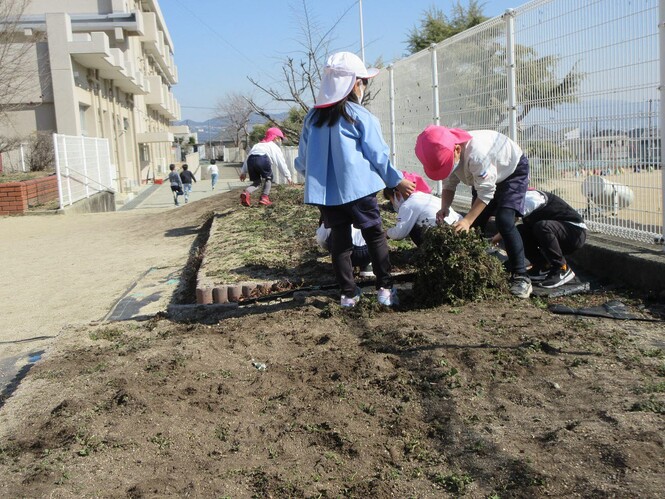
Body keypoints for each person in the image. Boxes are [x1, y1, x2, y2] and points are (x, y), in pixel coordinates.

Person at [294, 51, 416, 308]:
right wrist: (396, 180)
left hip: (327, 194)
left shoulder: (312, 118)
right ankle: (384, 289)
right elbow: (378, 154)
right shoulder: (358, 115)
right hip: (359, 189)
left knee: (340, 241)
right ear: (354, 84)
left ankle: (348, 295)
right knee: (374, 235)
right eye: (362, 81)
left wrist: (316, 179)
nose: (363, 86)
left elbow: (303, 160)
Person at [415, 126, 532, 298]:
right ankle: (475, 266)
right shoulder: (449, 153)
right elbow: (449, 184)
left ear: (456, 149)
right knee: (476, 224)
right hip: (486, 178)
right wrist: (444, 207)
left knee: (504, 221)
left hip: (511, 172)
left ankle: (521, 276)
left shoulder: (477, 154)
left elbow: (486, 193)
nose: (446, 169)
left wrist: (467, 220)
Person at [509, 189, 587, 288]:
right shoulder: (518, 201)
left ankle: (562, 268)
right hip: (556, 233)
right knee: (521, 230)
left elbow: (509, 221)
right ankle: (543, 266)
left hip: (575, 233)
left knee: (542, 226)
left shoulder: (530, 198)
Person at [383, 186, 462, 246]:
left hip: (443, 239)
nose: (392, 204)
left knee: (411, 226)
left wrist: (386, 233)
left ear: (397, 195)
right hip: (457, 230)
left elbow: (399, 234)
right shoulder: (423, 196)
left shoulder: (407, 205)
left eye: (391, 200)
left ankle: (428, 253)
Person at [239, 127, 292, 206]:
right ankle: (264, 197)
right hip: (263, 159)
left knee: (256, 182)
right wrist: (288, 176)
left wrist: (243, 172)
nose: (281, 141)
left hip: (251, 161)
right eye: (280, 139)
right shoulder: (273, 146)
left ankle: (246, 192)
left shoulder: (257, 145)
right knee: (269, 178)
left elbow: (248, 157)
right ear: (276, 138)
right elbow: (281, 162)